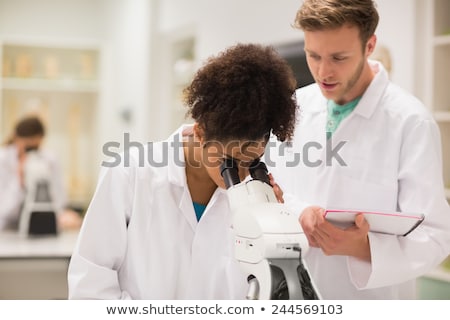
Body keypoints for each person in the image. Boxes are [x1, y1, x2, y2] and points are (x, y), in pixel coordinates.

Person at [67, 43, 298, 299]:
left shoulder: (262, 192)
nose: (242, 176)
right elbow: (89, 284)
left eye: (253, 160)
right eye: (230, 162)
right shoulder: (129, 174)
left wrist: (273, 233)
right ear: (199, 133)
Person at [268, 0, 450, 299]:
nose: (323, 71)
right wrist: (298, 212)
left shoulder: (410, 122)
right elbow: (270, 187)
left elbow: (435, 235)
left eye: (339, 57)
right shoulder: (294, 107)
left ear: (369, 46)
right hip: (291, 291)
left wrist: (361, 248)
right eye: (313, 56)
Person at [0, 115, 82, 232]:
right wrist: (20, 180)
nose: (32, 152)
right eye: (28, 147)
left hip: (40, 228)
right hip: (6, 230)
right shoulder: (3, 160)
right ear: (16, 138)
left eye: (36, 147)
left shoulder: (49, 160)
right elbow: (4, 210)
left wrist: (64, 216)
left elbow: (59, 200)